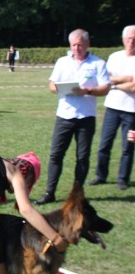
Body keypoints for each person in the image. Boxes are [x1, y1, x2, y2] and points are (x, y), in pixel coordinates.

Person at [35, 29, 110, 205]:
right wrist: (57, 88)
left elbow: (106, 88)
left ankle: (77, 194)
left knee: (82, 157)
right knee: (55, 155)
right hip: (64, 116)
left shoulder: (98, 64)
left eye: (80, 45)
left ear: (87, 44)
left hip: (86, 117)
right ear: (70, 45)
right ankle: (49, 192)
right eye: (74, 45)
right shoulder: (62, 62)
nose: (77, 48)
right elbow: (52, 84)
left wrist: (88, 90)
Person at [89, 25, 135, 190]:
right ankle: (101, 176)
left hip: (132, 111)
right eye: (129, 38)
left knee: (128, 147)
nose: (132, 41)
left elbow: (134, 87)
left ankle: (122, 178)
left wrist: (115, 84)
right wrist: (126, 79)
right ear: (123, 39)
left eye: (134, 38)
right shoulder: (115, 57)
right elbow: (106, 80)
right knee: (104, 145)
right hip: (112, 108)